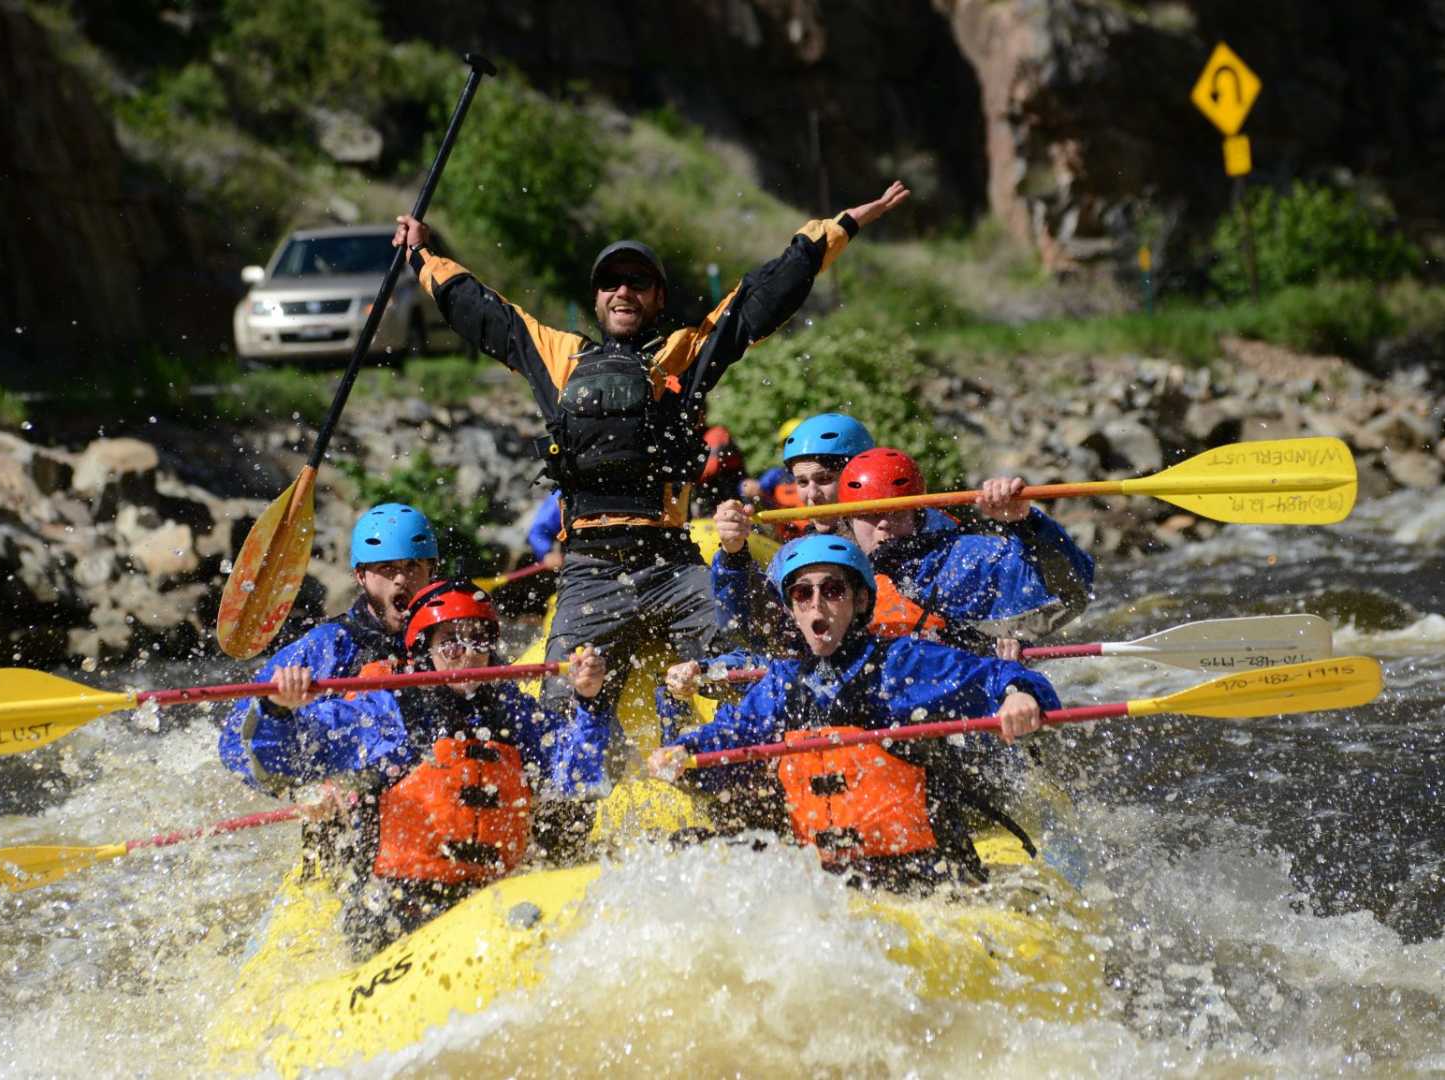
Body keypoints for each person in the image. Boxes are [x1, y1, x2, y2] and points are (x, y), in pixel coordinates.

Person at [393, 181, 912, 725]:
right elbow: (479, 310)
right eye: (611, 283)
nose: (623, 292)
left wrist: (839, 226)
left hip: (671, 563)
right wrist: (422, 254)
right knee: (559, 709)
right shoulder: (559, 356)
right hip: (588, 571)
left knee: (738, 670)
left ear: (657, 297)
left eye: (638, 282)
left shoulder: (681, 355)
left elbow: (762, 296)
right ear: (595, 298)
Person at [221, 580, 616, 956]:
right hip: (397, 904)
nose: (467, 653)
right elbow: (285, 763)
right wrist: (278, 710)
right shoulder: (386, 710)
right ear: (425, 649)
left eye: (478, 639)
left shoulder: (513, 712)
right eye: (451, 642)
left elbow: (577, 777)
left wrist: (590, 702)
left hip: (492, 894)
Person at [648, 535, 1059, 893]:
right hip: (826, 880)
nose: (817, 605)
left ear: (860, 600)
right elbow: (733, 733)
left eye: (833, 591)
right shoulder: (783, 681)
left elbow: (1002, 675)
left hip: (925, 871)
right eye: (802, 594)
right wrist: (685, 751)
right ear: (791, 608)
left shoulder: (903, 664)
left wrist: (1018, 694)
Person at [219, 502, 441, 802]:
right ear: (361, 576)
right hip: (345, 805)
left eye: (413, 566)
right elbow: (235, 742)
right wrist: (303, 791)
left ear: (432, 571)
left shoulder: (450, 642)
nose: (401, 579)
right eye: (387, 568)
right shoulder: (327, 645)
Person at [838, 448, 1095, 645]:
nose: (883, 524)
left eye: (896, 512)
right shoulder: (824, 573)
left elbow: (1072, 593)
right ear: (849, 520)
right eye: (869, 515)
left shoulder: (966, 560)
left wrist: (1025, 524)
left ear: (918, 513)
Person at [708, 412, 873, 650]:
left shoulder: (895, 534)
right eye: (803, 482)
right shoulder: (794, 553)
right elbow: (749, 632)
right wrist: (734, 556)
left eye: (825, 479)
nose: (812, 495)